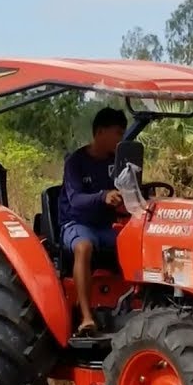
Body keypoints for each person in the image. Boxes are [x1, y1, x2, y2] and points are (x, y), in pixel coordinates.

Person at [58, 106, 127, 336]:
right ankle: (86, 317)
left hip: (106, 227)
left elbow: (126, 192)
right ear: (100, 132)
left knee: (136, 242)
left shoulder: (117, 162)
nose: (121, 139)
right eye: (118, 133)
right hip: (76, 224)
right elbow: (76, 200)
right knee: (83, 246)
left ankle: (133, 306)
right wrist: (103, 196)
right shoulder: (75, 163)